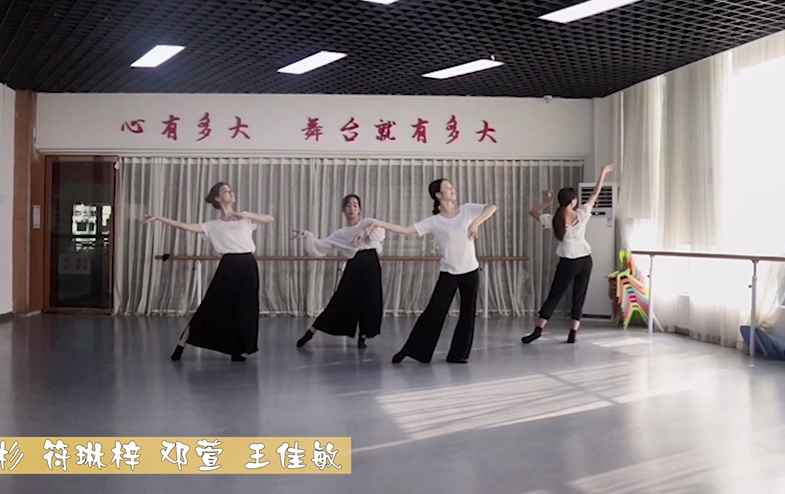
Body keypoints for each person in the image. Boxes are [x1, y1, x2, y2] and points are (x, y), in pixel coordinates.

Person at [358, 179, 497, 364]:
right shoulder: (434, 221)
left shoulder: (467, 210)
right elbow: (406, 230)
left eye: (452, 186)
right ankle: (415, 351)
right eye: (447, 187)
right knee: (434, 312)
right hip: (449, 272)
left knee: (467, 314)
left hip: (470, 271)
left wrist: (476, 223)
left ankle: (458, 355)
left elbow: (492, 207)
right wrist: (379, 223)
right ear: (438, 195)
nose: (452, 189)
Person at [142, 182, 274, 362]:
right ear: (218, 198)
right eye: (226, 191)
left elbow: (269, 218)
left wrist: (245, 215)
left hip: (248, 265)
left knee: (244, 308)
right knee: (211, 305)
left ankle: (236, 350)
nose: (231, 192)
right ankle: (182, 342)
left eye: (231, 190)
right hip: (229, 266)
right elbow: (184, 226)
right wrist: (159, 218)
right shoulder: (213, 225)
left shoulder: (244, 218)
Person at [523, 164, 614, 344]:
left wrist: (547, 202)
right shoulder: (582, 214)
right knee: (579, 294)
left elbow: (533, 212)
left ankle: (538, 330)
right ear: (572, 201)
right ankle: (573, 332)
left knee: (555, 294)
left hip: (568, 261)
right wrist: (603, 173)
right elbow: (595, 193)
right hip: (585, 260)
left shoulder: (554, 220)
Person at [292, 194, 385, 349]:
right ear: (343, 210)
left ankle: (363, 336)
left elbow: (379, 228)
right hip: (355, 266)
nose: (352, 209)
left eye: (355, 205)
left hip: (371, 265)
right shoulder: (341, 234)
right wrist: (307, 235)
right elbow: (321, 246)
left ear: (359, 209)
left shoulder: (367, 222)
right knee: (340, 299)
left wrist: (366, 232)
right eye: (348, 205)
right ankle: (312, 331)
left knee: (370, 301)